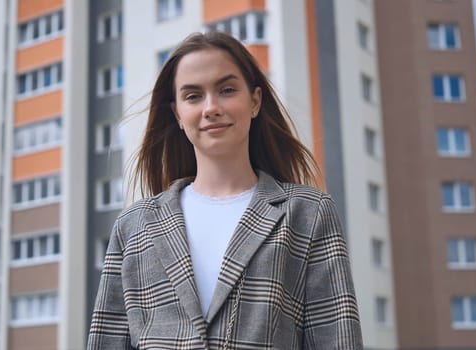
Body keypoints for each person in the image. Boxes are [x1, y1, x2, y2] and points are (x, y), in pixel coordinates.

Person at [87, 31, 363, 349]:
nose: (211, 107)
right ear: (177, 113)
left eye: (227, 90)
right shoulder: (133, 226)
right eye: (193, 96)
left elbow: (337, 340)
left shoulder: (307, 212)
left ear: (255, 101)